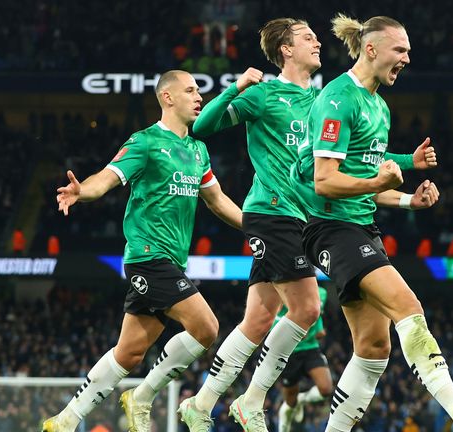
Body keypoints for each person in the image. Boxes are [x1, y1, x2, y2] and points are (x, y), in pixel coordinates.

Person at [179, 17, 436, 432]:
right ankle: (250, 400)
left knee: (260, 318)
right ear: (285, 49)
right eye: (307, 37)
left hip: (303, 217)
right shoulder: (264, 95)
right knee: (306, 307)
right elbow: (203, 126)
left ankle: (203, 401)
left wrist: (408, 165)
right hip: (272, 211)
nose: (318, 42)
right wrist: (237, 87)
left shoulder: (319, 99)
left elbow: (355, 159)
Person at [291, 14, 453, 432]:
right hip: (328, 226)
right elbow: (325, 182)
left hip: (360, 226)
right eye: (400, 50)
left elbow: (366, 183)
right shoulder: (338, 99)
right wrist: (380, 179)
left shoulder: (379, 107)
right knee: (408, 306)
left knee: (373, 347)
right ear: (371, 49)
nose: (407, 58)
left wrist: (408, 198)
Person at [41, 70, 243, 432]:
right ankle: (143, 396)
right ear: (168, 98)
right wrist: (81, 192)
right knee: (206, 328)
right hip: (148, 257)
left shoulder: (198, 150)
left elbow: (217, 201)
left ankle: (66, 419)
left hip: (172, 263)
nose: (199, 97)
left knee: (129, 352)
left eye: (199, 91)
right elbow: (107, 177)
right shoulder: (146, 141)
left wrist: (256, 226)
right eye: (191, 90)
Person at [276, 286, 332, 432]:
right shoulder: (283, 290)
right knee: (290, 402)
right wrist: (292, 332)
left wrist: (318, 329)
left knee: (326, 389)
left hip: (310, 348)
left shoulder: (322, 293)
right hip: (289, 352)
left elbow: (316, 313)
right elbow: (274, 319)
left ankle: (302, 399)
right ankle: (284, 426)